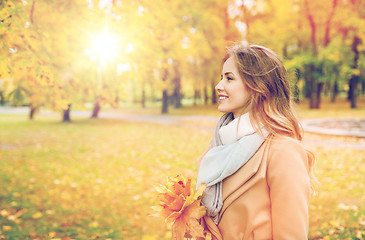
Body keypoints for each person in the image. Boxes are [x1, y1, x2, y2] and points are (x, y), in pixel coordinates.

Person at [196, 43, 317, 240]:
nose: (219, 86)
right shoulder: (217, 147)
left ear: (258, 87)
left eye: (229, 78)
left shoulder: (283, 151)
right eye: (221, 78)